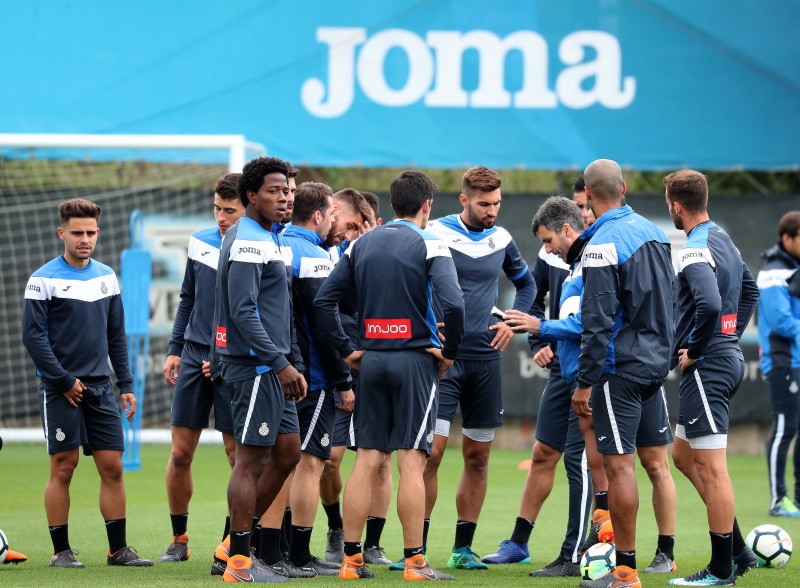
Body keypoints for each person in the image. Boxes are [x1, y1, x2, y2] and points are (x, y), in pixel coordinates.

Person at [315, 170, 465, 581]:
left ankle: (350, 561)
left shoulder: (360, 244)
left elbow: (324, 301)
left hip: (373, 361)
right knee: (411, 462)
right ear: (427, 206)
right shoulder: (431, 242)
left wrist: (347, 350)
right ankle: (415, 562)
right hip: (414, 361)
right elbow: (454, 304)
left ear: (394, 202)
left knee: (366, 459)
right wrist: (450, 353)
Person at [22, 198, 152, 568]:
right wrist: (63, 381)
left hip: (101, 388)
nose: (85, 239)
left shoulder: (107, 277)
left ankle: (118, 550)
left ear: (98, 232)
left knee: (113, 466)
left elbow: (116, 335)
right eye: (77, 232)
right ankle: (60, 552)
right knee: (64, 467)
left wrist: (125, 384)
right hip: (59, 389)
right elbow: (33, 338)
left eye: (90, 232)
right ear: (61, 233)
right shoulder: (42, 279)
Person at [420, 165, 535, 571]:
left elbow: (527, 284)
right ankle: (415, 551)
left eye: (497, 203)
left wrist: (512, 321)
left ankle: (462, 549)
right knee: (430, 454)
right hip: (442, 361)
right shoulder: (434, 231)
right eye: (484, 204)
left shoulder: (501, 238)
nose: (492, 211)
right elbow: (409, 279)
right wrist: (424, 324)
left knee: (478, 458)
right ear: (464, 200)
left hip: (485, 361)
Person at [571, 159, 675, 588]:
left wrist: (584, 382)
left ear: (588, 197)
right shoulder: (655, 232)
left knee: (619, 468)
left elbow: (596, 322)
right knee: (655, 465)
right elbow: (672, 301)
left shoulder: (601, 244)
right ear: (624, 188)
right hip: (655, 367)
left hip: (621, 370)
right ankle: (663, 555)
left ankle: (626, 573)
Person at [483, 189, 593, 576]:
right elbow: (533, 297)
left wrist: (544, 329)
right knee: (544, 451)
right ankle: (518, 542)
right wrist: (538, 342)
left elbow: (591, 322)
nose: (583, 211)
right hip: (562, 368)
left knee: (598, 463)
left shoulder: (599, 253)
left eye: (587, 205)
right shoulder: (552, 253)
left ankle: (581, 552)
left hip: (592, 370)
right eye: (578, 204)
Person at [659, 170, 759, 586]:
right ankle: (740, 551)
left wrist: (699, 348)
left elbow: (711, 304)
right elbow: (750, 292)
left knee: (713, 469)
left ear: (675, 206)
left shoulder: (694, 249)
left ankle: (721, 571)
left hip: (707, 366)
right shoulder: (723, 238)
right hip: (724, 358)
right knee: (683, 457)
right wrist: (728, 338)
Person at [210, 156, 306, 583]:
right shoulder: (248, 239)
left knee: (287, 454)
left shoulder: (270, 236)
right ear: (251, 195)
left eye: (287, 191)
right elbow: (243, 312)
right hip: (255, 368)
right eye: (274, 191)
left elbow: (278, 311)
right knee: (249, 462)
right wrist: (279, 363)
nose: (284, 198)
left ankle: (233, 546)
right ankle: (239, 563)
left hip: (272, 366)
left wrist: (290, 360)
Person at [158, 173, 244, 563]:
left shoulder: (258, 246)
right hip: (194, 355)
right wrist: (175, 349)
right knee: (180, 453)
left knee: (236, 456)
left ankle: (229, 542)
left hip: (233, 359)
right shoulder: (200, 240)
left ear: (247, 208)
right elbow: (188, 298)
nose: (221, 218)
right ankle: (179, 539)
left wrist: (225, 354)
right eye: (217, 209)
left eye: (230, 210)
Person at [319, 190, 394, 567]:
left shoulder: (385, 255)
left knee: (381, 460)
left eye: (355, 228)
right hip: (341, 367)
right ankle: (337, 529)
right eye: (347, 227)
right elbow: (327, 307)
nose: (347, 234)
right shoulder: (329, 254)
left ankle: (374, 544)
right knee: (329, 459)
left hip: (378, 365)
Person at [282, 181, 353, 576]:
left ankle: (265, 548)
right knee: (309, 464)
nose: (332, 223)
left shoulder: (276, 244)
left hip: (276, 370)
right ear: (317, 216)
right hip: (312, 376)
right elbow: (324, 325)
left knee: (278, 463)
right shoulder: (314, 256)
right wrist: (343, 380)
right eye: (331, 215)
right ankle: (298, 554)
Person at [758, 211, 800, 517]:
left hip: (797, 360)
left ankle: (796, 499)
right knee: (785, 428)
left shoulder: (793, 268)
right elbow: (781, 323)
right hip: (783, 362)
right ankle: (777, 500)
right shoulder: (773, 271)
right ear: (787, 238)